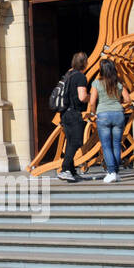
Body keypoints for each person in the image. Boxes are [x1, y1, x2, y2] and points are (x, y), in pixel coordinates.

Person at [86, 58, 131, 184]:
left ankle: (111, 172)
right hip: (118, 115)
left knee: (106, 145)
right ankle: (116, 172)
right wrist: (119, 104)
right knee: (116, 144)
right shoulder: (118, 83)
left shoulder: (96, 83)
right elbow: (128, 100)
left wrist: (93, 113)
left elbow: (92, 101)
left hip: (103, 115)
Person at [57, 52, 91, 183]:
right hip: (73, 113)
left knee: (71, 141)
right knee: (76, 141)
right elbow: (82, 97)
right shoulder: (80, 77)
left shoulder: (68, 75)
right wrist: (93, 97)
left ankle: (71, 171)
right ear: (85, 63)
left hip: (65, 113)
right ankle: (65, 169)